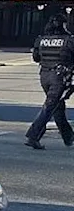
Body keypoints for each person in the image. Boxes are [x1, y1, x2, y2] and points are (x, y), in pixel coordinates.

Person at [24, 13, 74, 149]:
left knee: (57, 107)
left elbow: (36, 58)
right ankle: (33, 136)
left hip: (44, 76)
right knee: (50, 107)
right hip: (59, 77)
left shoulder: (41, 40)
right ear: (63, 25)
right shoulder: (69, 40)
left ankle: (68, 137)